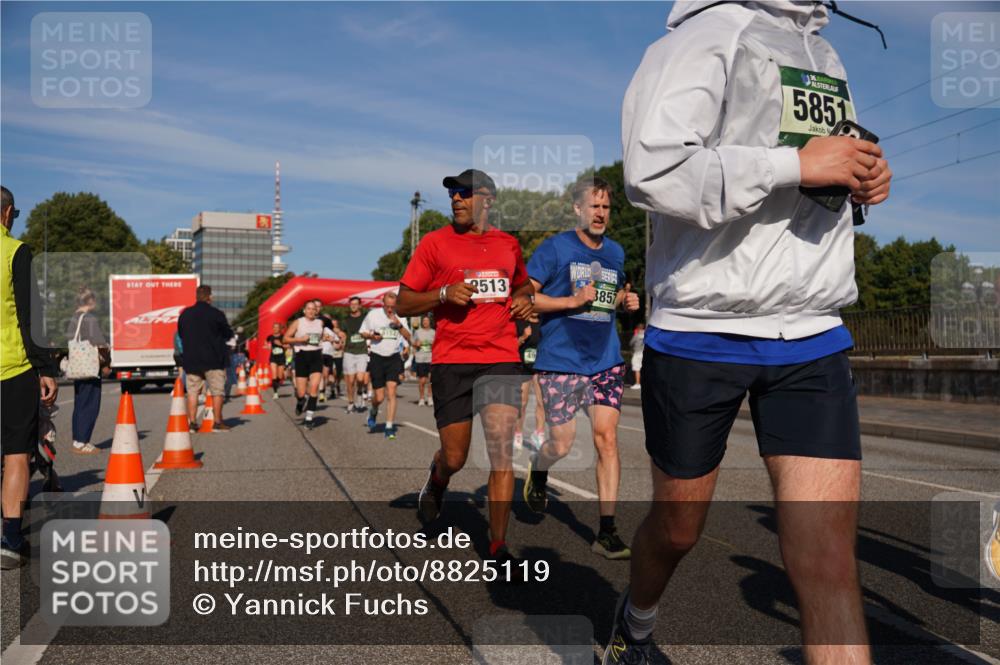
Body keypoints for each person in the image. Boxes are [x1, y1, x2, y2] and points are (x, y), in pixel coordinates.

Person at [605, 2, 893, 663]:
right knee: (678, 528)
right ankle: (637, 620)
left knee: (828, 559)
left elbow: (820, 165)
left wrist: (862, 176)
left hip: (813, 331)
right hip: (702, 328)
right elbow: (651, 171)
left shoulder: (823, 53)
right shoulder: (703, 36)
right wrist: (797, 167)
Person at [396, 169, 534, 563]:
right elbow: (403, 302)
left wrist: (524, 300)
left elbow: (522, 284)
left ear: (487, 199)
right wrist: (442, 293)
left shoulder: (508, 245)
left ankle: (498, 546)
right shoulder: (435, 244)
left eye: (465, 193)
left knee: (502, 452)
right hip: (452, 360)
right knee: (455, 457)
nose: (456, 199)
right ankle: (438, 480)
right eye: (453, 194)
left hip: (501, 357)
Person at [522, 176, 640, 560]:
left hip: (605, 359)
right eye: (594, 206)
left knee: (607, 438)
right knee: (562, 442)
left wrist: (625, 301)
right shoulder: (555, 248)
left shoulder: (617, 253)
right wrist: (571, 301)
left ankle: (607, 530)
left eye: (606, 207)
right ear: (577, 209)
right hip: (562, 361)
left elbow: (612, 294)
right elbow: (524, 298)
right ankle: (540, 467)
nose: (601, 213)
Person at [1, 186, 58, 568]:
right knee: (16, 456)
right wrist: (46, 368)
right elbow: (29, 315)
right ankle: (9, 540)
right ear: (6, 214)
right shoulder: (15, 251)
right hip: (12, 369)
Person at [177, 285, 233, 433]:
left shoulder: (185, 315)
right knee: (217, 391)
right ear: (210, 297)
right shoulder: (217, 314)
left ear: (196, 296)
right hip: (214, 360)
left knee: (193, 392)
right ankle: (217, 422)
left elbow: (181, 334)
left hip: (192, 360)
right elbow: (227, 334)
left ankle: (192, 423)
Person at [360, 291, 411, 439]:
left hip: (394, 357)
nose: (390, 310)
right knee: (380, 397)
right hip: (377, 357)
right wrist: (371, 336)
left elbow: (408, 336)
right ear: (383, 304)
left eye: (393, 307)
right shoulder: (373, 315)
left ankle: (389, 426)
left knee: (392, 390)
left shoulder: (400, 316)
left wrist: (399, 325)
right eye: (388, 306)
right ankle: (374, 410)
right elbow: (362, 332)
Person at [66, 287, 110, 454]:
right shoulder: (89, 319)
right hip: (90, 367)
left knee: (79, 404)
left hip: (78, 367)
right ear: (90, 301)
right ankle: (83, 441)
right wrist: (106, 361)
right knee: (91, 404)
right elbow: (99, 342)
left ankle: (78, 439)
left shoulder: (73, 318)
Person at [283, 300, 333, 428]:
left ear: (316, 311)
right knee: (301, 392)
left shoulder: (320, 323)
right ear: (304, 310)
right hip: (301, 356)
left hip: (316, 355)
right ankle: (301, 401)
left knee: (314, 388)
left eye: (313, 309)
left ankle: (309, 417)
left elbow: (319, 337)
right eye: (308, 309)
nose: (311, 311)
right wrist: (299, 339)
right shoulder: (298, 322)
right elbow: (285, 338)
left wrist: (326, 338)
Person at [513, 318, 545, 451]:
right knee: (522, 402)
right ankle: (518, 433)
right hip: (523, 366)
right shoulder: (520, 321)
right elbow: (511, 345)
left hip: (540, 364)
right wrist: (523, 337)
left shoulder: (544, 320)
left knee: (542, 401)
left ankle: (539, 433)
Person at [341, 296, 369, 413]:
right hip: (349, 352)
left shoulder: (365, 319)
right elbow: (343, 336)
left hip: (362, 351)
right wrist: (340, 343)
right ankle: (351, 402)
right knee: (350, 381)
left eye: (355, 304)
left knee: (360, 378)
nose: (353, 306)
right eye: (351, 304)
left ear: (360, 306)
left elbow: (370, 332)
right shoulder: (345, 320)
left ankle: (360, 391)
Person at [412, 316, 435, 406]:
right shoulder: (418, 332)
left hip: (431, 358)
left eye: (427, 321)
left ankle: (429, 397)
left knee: (430, 379)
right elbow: (413, 343)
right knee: (422, 380)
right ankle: (421, 398)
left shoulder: (433, 332)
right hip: (420, 358)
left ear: (430, 322)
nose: (425, 322)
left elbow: (438, 344)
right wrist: (416, 344)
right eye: (424, 321)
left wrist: (433, 345)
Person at [266, 322, 286, 398]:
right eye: (274, 327)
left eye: (277, 327)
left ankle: (276, 384)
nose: (275, 329)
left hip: (281, 357)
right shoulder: (270, 337)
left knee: (279, 376)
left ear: (280, 329)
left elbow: (288, 346)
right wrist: (267, 346)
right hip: (273, 357)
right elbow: (266, 343)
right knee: (274, 376)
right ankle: (275, 393)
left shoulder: (283, 337)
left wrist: (280, 344)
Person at [328, 319, 346, 399]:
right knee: (332, 373)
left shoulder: (341, 333)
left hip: (339, 355)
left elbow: (344, 342)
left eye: (335, 324)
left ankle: (337, 384)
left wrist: (341, 344)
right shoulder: (327, 332)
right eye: (332, 324)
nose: (334, 325)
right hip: (330, 354)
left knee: (338, 373)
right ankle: (332, 390)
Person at [629, 323, 645, 390]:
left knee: (637, 369)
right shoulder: (646, 335)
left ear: (638, 328)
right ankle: (643, 383)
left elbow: (630, 343)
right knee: (643, 369)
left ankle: (638, 383)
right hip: (644, 353)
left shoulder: (636, 335)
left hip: (637, 353)